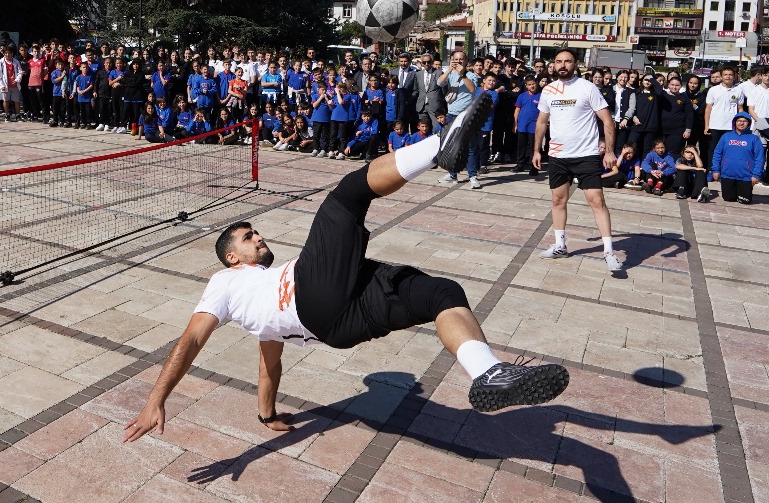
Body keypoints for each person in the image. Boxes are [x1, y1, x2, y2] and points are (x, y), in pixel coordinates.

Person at [122, 106, 570, 445]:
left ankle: (488, 372)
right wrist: (156, 398)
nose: (257, 236)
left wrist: (266, 415)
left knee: (441, 293)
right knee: (344, 197)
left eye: (255, 231)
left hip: (334, 325)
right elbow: (191, 341)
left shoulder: (260, 311)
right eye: (246, 236)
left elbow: (268, 366)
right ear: (231, 259)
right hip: (311, 297)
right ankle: (439, 146)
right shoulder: (224, 284)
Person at [533, 49, 624, 274]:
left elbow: (607, 120)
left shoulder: (588, 88)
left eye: (567, 61)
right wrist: (536, 150)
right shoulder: (548, 90)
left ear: (576, 64)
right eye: (558, 61)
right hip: (557, 156)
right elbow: (542, 122)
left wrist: (610, 151)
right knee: (557, 200)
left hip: (586, 155)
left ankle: (609, 252)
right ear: (553, 64)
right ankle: (560, 245)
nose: (562, 65)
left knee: (596, 200)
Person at [712, 112, 765, 205]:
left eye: (745, 121)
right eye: (739, 121)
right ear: (735, 122)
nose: (741, 123)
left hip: (746, 177)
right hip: (727, 175)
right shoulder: (726, 136)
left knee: (744, 201)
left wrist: (756, 175)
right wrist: (715, 170)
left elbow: (759, 158)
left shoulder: (754, 139)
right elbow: (717, 153)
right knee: (728, 199)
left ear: (749, 123)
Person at [703, 67, 744, 174]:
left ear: (734, 76)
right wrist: (707, 125)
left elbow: (740, 109)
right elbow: (708, 108)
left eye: (730, 74)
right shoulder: (713, 90)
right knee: (713, 150)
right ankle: (712, 171)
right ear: (721, 77)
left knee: (729, 150)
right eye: (725, 74)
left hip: (731, 126)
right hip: (715, 125)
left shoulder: (738, 91)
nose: (728, 77)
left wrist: (740, 125)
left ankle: (725, 171)